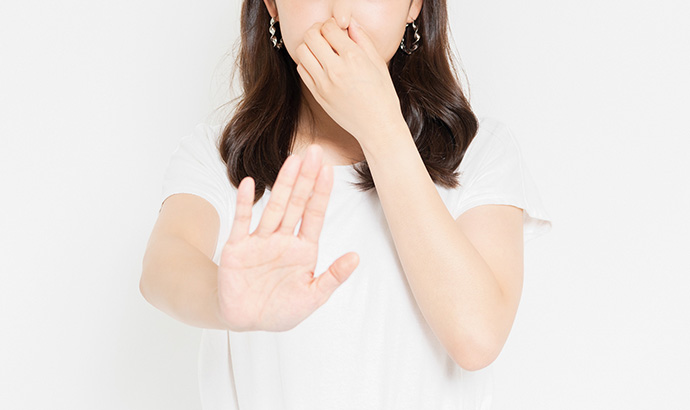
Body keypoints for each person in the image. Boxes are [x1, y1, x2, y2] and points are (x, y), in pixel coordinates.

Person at [140, 0, 553, 408]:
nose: (340, 15)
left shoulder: (479, 154)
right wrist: (222, 300)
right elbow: (163, 267)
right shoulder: (220, 156)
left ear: (414, 6)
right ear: (273, 5)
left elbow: (477, 338)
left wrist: (381, 127)